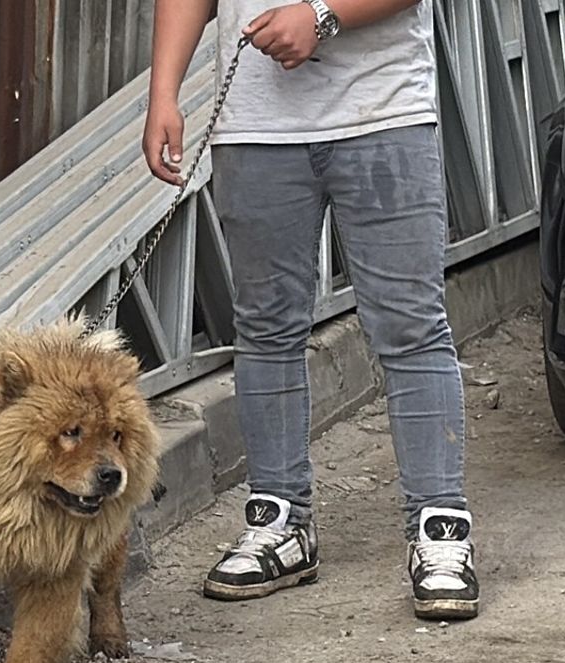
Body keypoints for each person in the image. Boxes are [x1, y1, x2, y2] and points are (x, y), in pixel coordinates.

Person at [142, 0, 479, 620]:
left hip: (383, 114)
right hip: (255, 127)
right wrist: (163, 93)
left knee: (411, 328)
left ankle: (439, 528)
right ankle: (280, 523)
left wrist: (323, 16)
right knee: (265, 330)